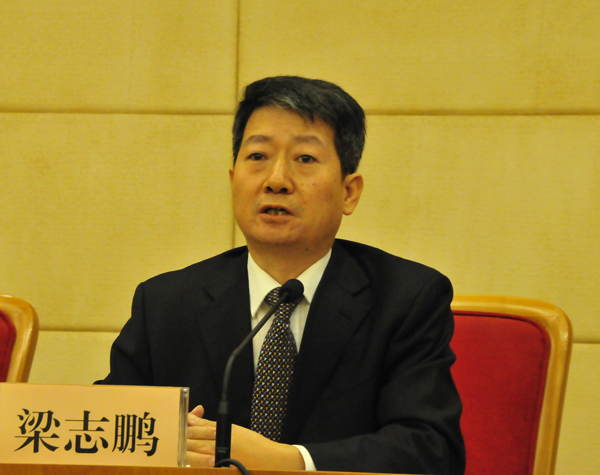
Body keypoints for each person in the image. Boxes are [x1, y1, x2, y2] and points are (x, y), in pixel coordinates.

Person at [99, 76, 466, 474]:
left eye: (305, 159)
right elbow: (105, 431)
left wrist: (289, 462)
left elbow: (431, 450)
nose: (275, 180)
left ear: (349, 192)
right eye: (257, 156)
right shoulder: (166, 303)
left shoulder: (405, 298)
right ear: (233, 181)